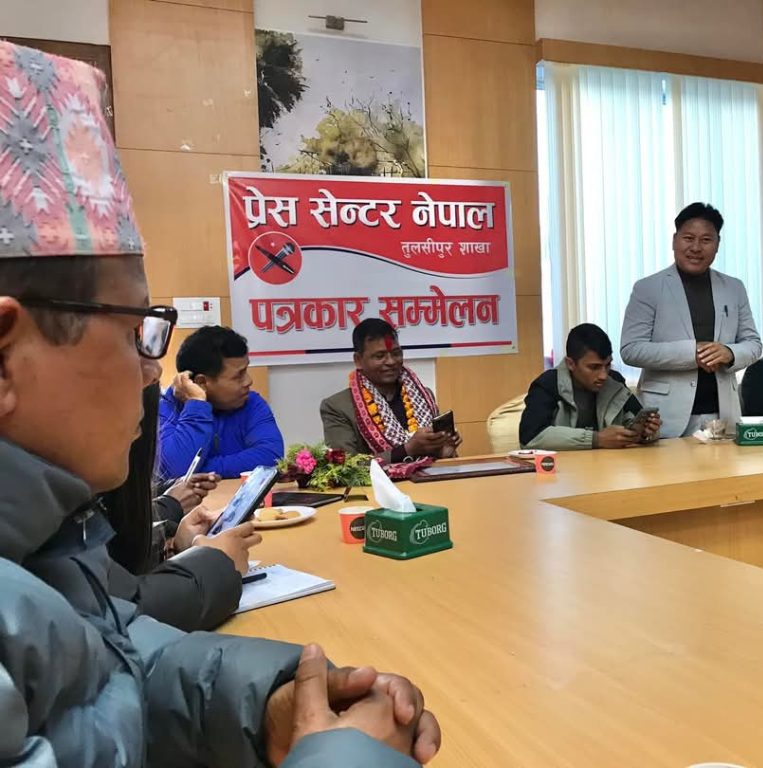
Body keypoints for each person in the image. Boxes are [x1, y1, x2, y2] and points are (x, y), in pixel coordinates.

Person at [0, 41, 438, 767]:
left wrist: (270, 707)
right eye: (136, 330)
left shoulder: (48, 542)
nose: (152, 368)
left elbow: (117, 664)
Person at [102, 382, 260, 631]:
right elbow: (122, 613)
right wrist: (217, 564)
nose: (247, 381)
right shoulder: (168, 405)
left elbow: (270, 452)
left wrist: (174, 547)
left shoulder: (253, 403)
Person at [620, 202, 762, 437]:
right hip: (664, 418)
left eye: (706, 240)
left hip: (723, 414)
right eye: (688, 238)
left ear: (717, 244)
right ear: (674, 240)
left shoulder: (734, 288)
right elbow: (631, 349)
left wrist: (729, 352)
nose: (696, 247)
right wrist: (691, 353)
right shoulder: (647, 288)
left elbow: (754, 344)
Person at [321, 318, 461, 462]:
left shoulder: (424, 397)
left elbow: (440, 461)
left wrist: (444, 452)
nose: (391, 361)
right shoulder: (338, 407)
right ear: (358, 360)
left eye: (396, 353)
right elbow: (345, 466)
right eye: (380, 356)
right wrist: (408, 449)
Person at [157, 324, 284, 480]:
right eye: (238, 376)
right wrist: (196, 404)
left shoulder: (251, 402)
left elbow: (271, 456)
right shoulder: (163, 410)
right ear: (201, 382)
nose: (248, 381)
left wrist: (199, 469)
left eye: (246, 370)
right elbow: (174, 470)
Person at [519, 323, 661, 450]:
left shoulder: (615, 381)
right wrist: (597, 439)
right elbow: (530, 437)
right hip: (563, 469)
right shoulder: (548, 384)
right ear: (570, 364)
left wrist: (644, 433)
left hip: (610, 467)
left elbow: (634, 423)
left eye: (607, 365)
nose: (603, 375)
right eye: (594, 367)